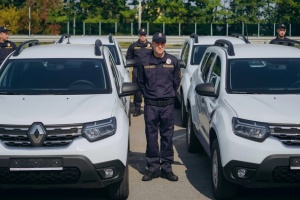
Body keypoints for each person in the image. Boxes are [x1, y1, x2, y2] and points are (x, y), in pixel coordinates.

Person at [137, 32, 180, 182]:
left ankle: (167, 168)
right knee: (151, 137)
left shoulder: (173, 61)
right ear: (152, 44)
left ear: (165, 44)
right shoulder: (144, 61)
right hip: (151, 106)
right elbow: (140, 82)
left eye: (162, 43)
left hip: (167, 106)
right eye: (157, 43)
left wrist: (168, 95)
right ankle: (153, 168)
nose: (160, 46)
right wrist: (149, 96)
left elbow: (176, 82)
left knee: (167, 137)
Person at [126, 28, 152, 116]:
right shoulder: (133, 46)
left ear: (146, 36)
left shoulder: (151, 46)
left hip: (148, 70)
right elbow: (128, 57)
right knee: (137, 90)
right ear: (139, 36)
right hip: (137, 70)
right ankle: (137, 109)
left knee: (148, 89)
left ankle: (148, 109)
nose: (142, 37)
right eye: (141, 35)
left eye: (144, 35)